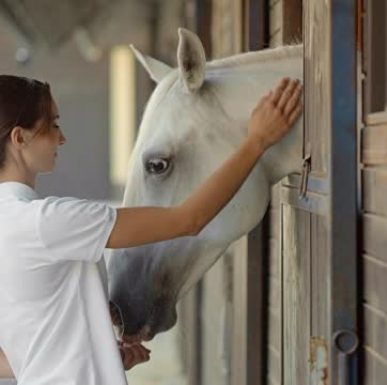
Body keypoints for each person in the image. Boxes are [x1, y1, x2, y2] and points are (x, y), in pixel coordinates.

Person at [0, 74, 303, 384]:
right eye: (52, 125)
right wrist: (256, 142)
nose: (61, 138)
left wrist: (100, 352)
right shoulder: (48, 222)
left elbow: (13, 350)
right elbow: (189, 219)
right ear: (20, 138)